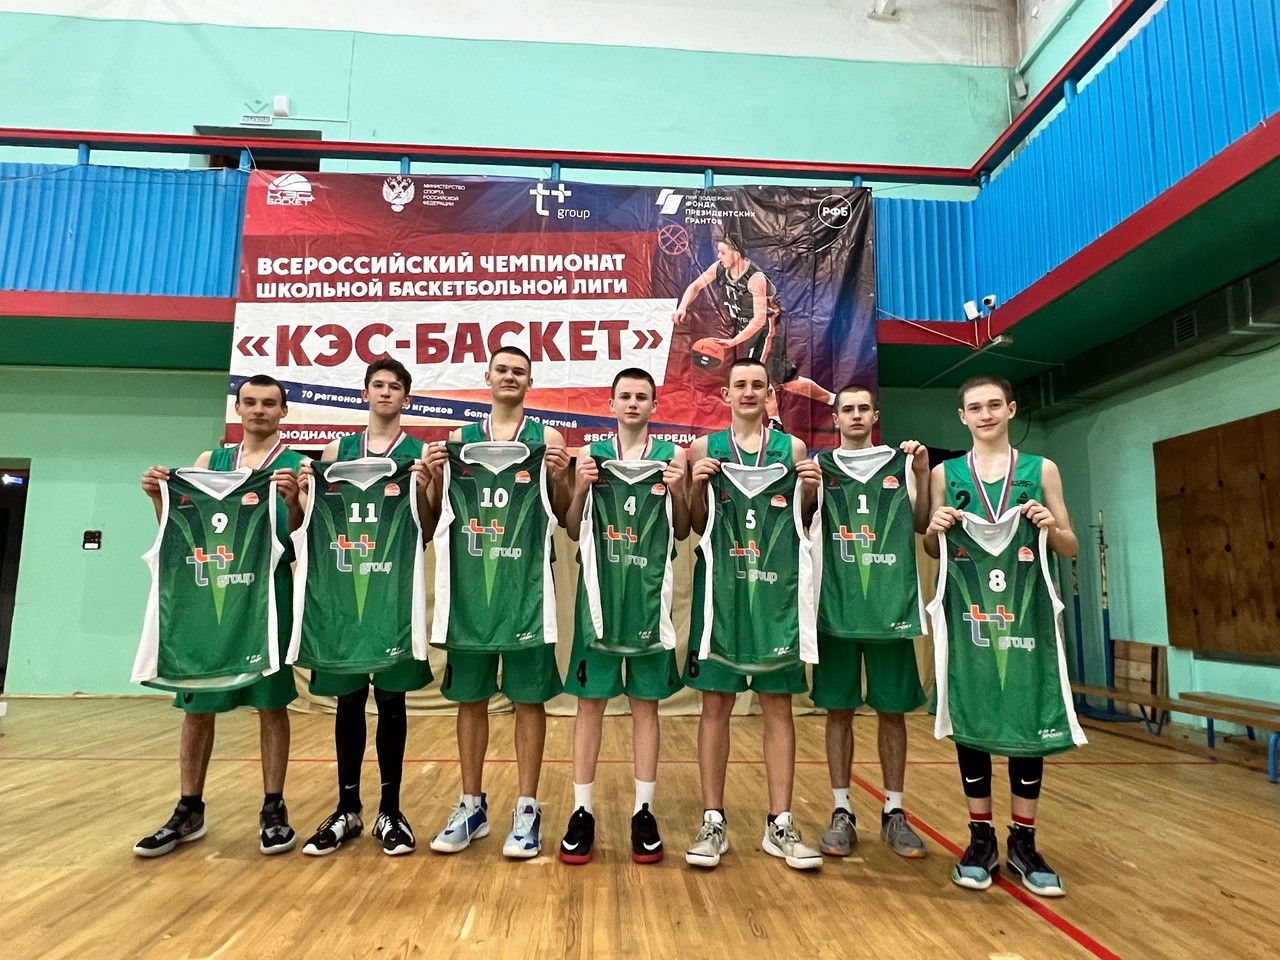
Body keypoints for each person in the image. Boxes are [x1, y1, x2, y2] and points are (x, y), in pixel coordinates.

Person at [924, 373, 1083, 897]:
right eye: (976, 407)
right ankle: (980, 839)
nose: (986, 414)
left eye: (995, 405)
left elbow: (1070, 546)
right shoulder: (946, 474)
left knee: (1024, 719)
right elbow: (931, 549)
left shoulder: (1042, 470)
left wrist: (1049, 524)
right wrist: (935, 530)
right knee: (972, 719)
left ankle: (1024, 841)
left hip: (1026, 618)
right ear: (962, 417)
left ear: (1011, 410)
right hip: (970, 617)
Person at [134, 374, 303, 858]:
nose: (259, 410)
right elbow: (179, 531)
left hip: (268, 593)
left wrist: (293, 502)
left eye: (269, 403)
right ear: (238, 408)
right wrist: (158, 498)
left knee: (272, 704)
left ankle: (274, 808)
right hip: (210, 592)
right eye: (250, 401)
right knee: (197, 705)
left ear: (283, 411)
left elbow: (299, 540)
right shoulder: (209, 463)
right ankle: (189, 808)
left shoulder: (296, 466)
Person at [423, 345, 572, 859]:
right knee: (471, 700)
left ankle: (527, 807)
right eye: (502, 369)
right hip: (470, 595)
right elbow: (430, 519)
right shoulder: (457, 441)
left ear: (530, 382)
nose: (510, 376)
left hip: (528, 591)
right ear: (487, 377)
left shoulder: (547, 439)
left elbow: (566, 516)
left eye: (519, 371)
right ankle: (472, 804)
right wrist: (433, 477)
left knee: (529, 701)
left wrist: (560, 475)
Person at [682, 357, 823, 871]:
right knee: (715, 705)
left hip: (773, 594)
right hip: (721, 592)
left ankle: (779, 822)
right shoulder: (704, 449)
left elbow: (803, 521)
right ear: (725, 395)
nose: (748, 392)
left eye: (757, 385)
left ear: (768, 395)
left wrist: (810, 492)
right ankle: (712, 820)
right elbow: (694, 524)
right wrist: (695, 486)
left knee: (778, 707)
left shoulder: (793, 450)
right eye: (739, 385)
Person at [298, 358, 432, 857]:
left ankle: (390, 810)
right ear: (365, 393)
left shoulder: (420, 454)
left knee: (392, 701)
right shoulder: (337, 452)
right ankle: (347, 808)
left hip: (394, 592)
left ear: (406, 398)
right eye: (378, 385)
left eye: (395, 387)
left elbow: (429, 524)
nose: (386, 393)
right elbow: (311, 518)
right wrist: (306, 492)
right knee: (349, 701)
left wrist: (428, 485)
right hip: (343, 592)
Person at [558, 368, 689, 865]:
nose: (633, 403)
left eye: (641, 397)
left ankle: (643, 811)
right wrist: (580, 489)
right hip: (599, 600)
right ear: (610, 404)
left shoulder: (671, 457)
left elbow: (682, 530)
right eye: (625, 396)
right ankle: (582, 811)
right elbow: (573, 528)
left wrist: (679, 492)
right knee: (589, 706)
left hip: (649, 601)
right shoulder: (591, 456)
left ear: (654, 406)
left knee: (645, 707)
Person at [811, 384, 931, 860]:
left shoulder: (901, 462)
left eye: (864, 408)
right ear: (835, 418)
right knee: (838, 712)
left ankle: (894, 812)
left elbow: (921, 524)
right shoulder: (820, 468)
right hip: (835, 610)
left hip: (889, 611)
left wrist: (921, 473)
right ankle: (841, 810)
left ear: (875, 415)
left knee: (892, 713)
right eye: (848, 409)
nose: (856, 415)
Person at [672, 234, 834, 424]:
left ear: (736, 253)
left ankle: (775, 422)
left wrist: (733, 341)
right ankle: (834, 399)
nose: (718, 256)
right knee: (788, 381)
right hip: (747, 328)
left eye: (723, 252)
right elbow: (696, 285)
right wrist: (682, 307)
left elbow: (759, 320)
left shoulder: (755, 279)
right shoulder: (719, 268)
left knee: (757, 373)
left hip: (767, 328)